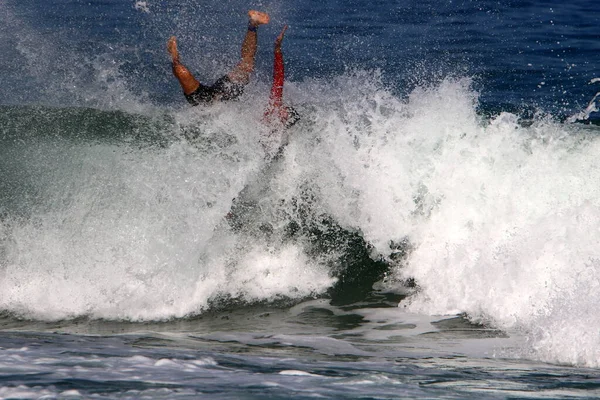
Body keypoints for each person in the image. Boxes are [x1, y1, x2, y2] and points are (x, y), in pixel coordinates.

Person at [167, 10, 270, 106]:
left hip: (218, 94)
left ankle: (253, 24)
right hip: (204, 101)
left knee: (247, 65)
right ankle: (174, 58)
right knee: (181, 72)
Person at [262, 25, 300, 128]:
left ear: (285, 121)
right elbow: (279, 76)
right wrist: (277, 48)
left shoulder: (277, 127)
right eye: (285, 108)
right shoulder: (274, 105)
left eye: (285, 112)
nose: (282, 108)